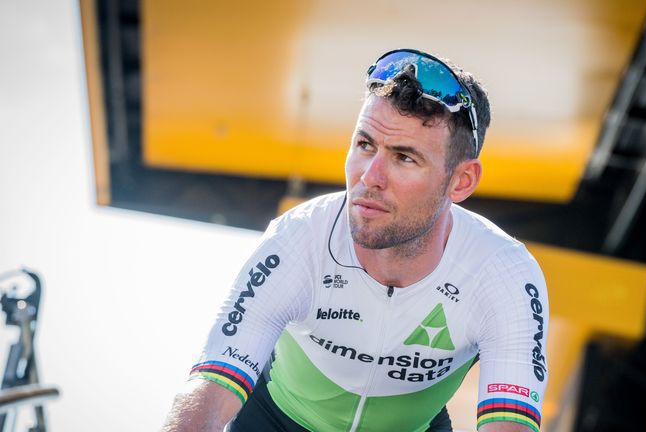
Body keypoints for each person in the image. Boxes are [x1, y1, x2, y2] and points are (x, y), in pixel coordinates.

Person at [162, 48, 549, 432]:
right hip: (277, 421)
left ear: (460, 181)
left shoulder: (502, 272)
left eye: (405, 158)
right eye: (365, 146)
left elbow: (509, 426)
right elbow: (208, 391)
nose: (370, 176)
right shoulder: (300, 238)